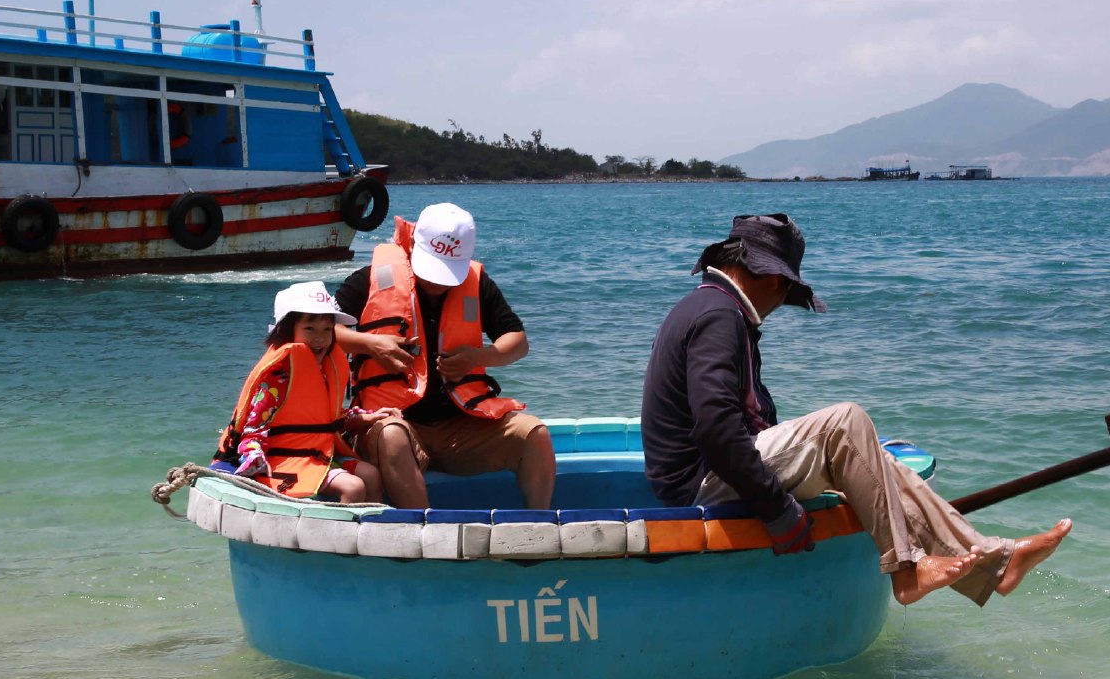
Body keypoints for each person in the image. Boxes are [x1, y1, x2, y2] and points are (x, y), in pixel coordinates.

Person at [641, 213, 1072, 606]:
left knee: (877, 463)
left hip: (708, 473)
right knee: (846, 422)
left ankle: (997, 562)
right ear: (774, 281)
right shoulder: (719, 316)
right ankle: (906, 572)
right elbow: (717, 430)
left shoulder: (711, 306)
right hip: (700, 484)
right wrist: (776, 508)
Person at [334, 202, 554, 510]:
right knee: (393, 436)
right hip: (392, 423)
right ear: (413, 246)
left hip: (459, 427)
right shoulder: (369, 279)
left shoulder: (478, 285)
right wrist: (370, 345)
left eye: (448, 273)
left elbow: (518, 342)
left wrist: (481, 355)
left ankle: (537, 528)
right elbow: (322, 333)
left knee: (535, 434)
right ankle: (426, 533)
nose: (438, 282)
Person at [214, 281, 390, 504]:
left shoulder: (325, 370)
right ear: (287, 330)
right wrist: (253, 457)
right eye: (310, 329)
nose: (320, 338)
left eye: (327, 329)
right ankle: (342, 537)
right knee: (353, 487)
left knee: (370, 474)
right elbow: (255, 426)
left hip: (317, 453)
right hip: (283, 459)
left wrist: (362, 417)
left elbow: (327, 418)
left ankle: (371, 530)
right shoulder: (277, 377)